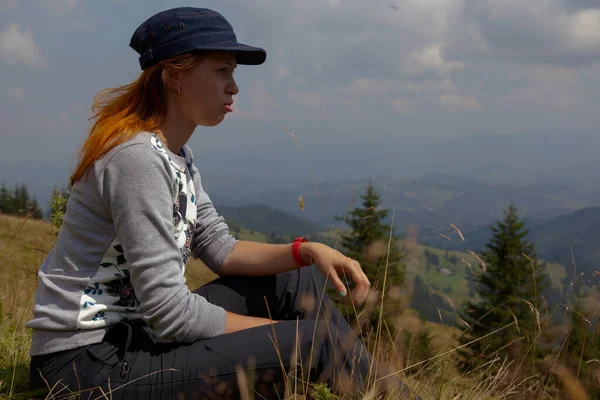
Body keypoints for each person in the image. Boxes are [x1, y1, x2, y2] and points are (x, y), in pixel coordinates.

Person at [26, 7, 419, 400]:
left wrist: (307, 251)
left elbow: (220, 248)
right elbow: (170, 314)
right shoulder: (137, 160)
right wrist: (273, 334)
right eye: (221, 71)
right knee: (315, 343)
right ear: (174, 77)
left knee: (293, 281)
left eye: (233, 73)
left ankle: (377, 390)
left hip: (133, 336)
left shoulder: (175, 154)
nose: (234, 87)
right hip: (87, 366)